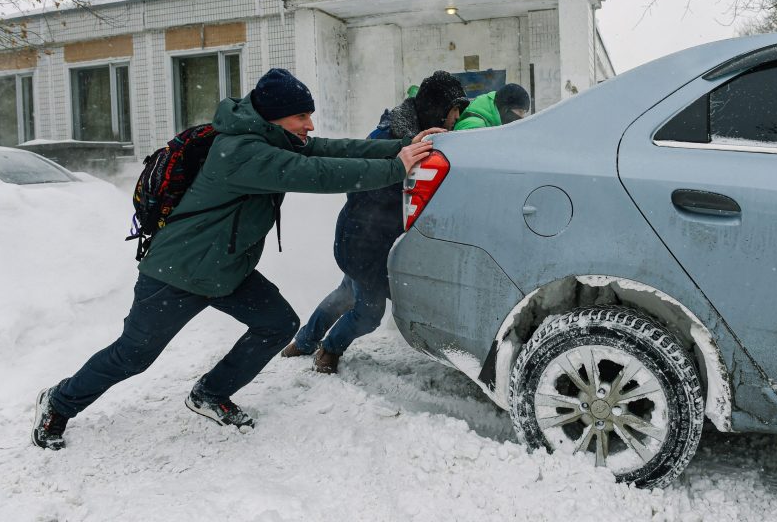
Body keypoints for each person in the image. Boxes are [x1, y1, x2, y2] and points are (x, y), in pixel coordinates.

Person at [31, 68, 437, 450]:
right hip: (180, 272)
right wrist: (394, 168)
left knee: (277, 324)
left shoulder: (270, 137)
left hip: (226, 268)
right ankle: (59, 402)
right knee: (133, 356)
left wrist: (402, 145)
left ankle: (211, 392)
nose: (309, 126)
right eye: (301, 116)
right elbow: (318, 173)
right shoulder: (243, 152)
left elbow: (329, 148)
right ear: (275, 117)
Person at [280, 70, 469, 373]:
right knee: (369, 313)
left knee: (345, 293)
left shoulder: (416, 135)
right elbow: (365, 186)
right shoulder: (388, 137)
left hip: (384, 238)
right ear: (436, 109)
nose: (456, 118)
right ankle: (328, 348)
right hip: (364, 238)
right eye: (453, 110)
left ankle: (304, 340)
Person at [451, 83, 530, 131]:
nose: (522, 117)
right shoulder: (475, 126)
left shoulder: (490, 123)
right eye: (520, 111)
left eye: (524, 113)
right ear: (505, 109)